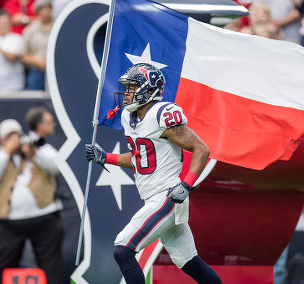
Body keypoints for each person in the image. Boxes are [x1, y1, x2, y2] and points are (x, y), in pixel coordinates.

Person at [85, 63, 222, 284]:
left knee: (123, 249)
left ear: (147, 89)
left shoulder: (161, 115)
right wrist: (105, 157)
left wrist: (186, 185)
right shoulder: (129, 119)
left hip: (167, 194)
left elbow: (201, 149)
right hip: (154, 196)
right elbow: (140, 159)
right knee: (189, 262)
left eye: (131, 87)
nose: (126, 93)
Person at [0, 116, 64, 284]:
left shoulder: (39, 148)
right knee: (3, 265)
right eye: (9, 137)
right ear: (1, 140)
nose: (15, 140)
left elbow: (58, 165)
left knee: (51, 266)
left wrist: (34, 154)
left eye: (17, 135)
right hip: (10, 222)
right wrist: (7, 151)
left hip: (44, 217)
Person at [21, 0, 53, 90]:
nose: (46, 12)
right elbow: (23, 54)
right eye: (43, 9)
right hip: (36, 70)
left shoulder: (58, 25)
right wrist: (38, 62)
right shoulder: (31, 29)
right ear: (38, 11)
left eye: (48, 9)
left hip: (56, 70)